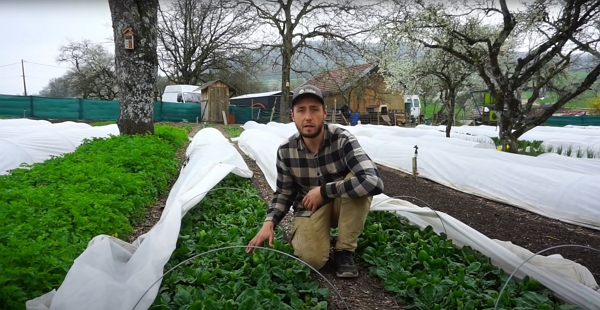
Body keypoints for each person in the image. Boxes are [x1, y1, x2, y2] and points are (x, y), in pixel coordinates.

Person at [246, 84, 384, 278]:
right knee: (311, 260)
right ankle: (315, 235)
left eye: (314, 109)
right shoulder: (286, 151)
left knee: (359, 180)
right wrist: (269, 223)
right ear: (293, 116)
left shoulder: (342, 139)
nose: (308, 117)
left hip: (341, 205)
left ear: (325, 113)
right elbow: (284, 193)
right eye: (301, 110)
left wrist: (324, 191)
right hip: (310, 208)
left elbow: (374, 181)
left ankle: (344, 250)